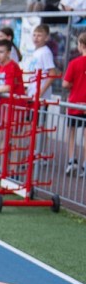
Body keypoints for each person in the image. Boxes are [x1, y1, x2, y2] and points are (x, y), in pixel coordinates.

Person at [62, 32, 86, 176]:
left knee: (71, 131)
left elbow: (65, 84)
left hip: (75, 103)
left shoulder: (75, 63)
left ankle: (72, 160)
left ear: (81, 45)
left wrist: (73, 84)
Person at [22, 23, 58, 102]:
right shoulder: (36, 51)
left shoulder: (45, 52)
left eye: (39, 36)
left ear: (46, 38)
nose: (36, 38)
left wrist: (40, 92)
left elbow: (52, 73)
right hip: (32, 93)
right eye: (34, 35)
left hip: (40, 96)